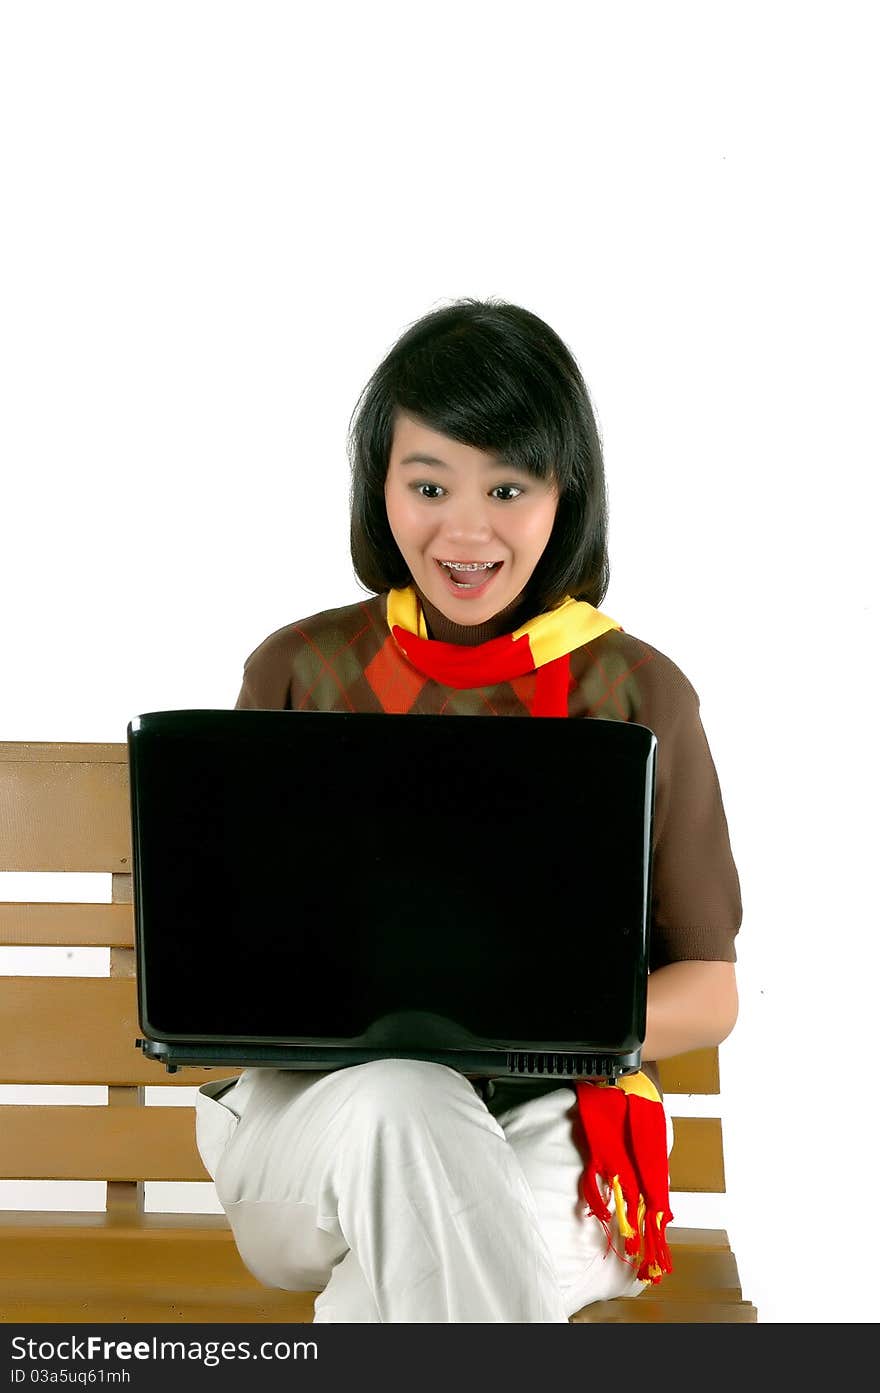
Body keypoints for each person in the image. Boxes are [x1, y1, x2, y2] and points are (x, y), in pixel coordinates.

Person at [194, 298, 742, 1323]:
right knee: (409, 1104)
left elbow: (709, 990)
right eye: (429, 484)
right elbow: (228, 970)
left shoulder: (631, 692)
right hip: (319, 1123)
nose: (466, 528)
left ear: (561, 493)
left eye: (508, 486)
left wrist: (531, 1037)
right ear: (380, 488)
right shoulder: (301, 671)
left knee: (402, 1285)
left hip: (555, 1129)